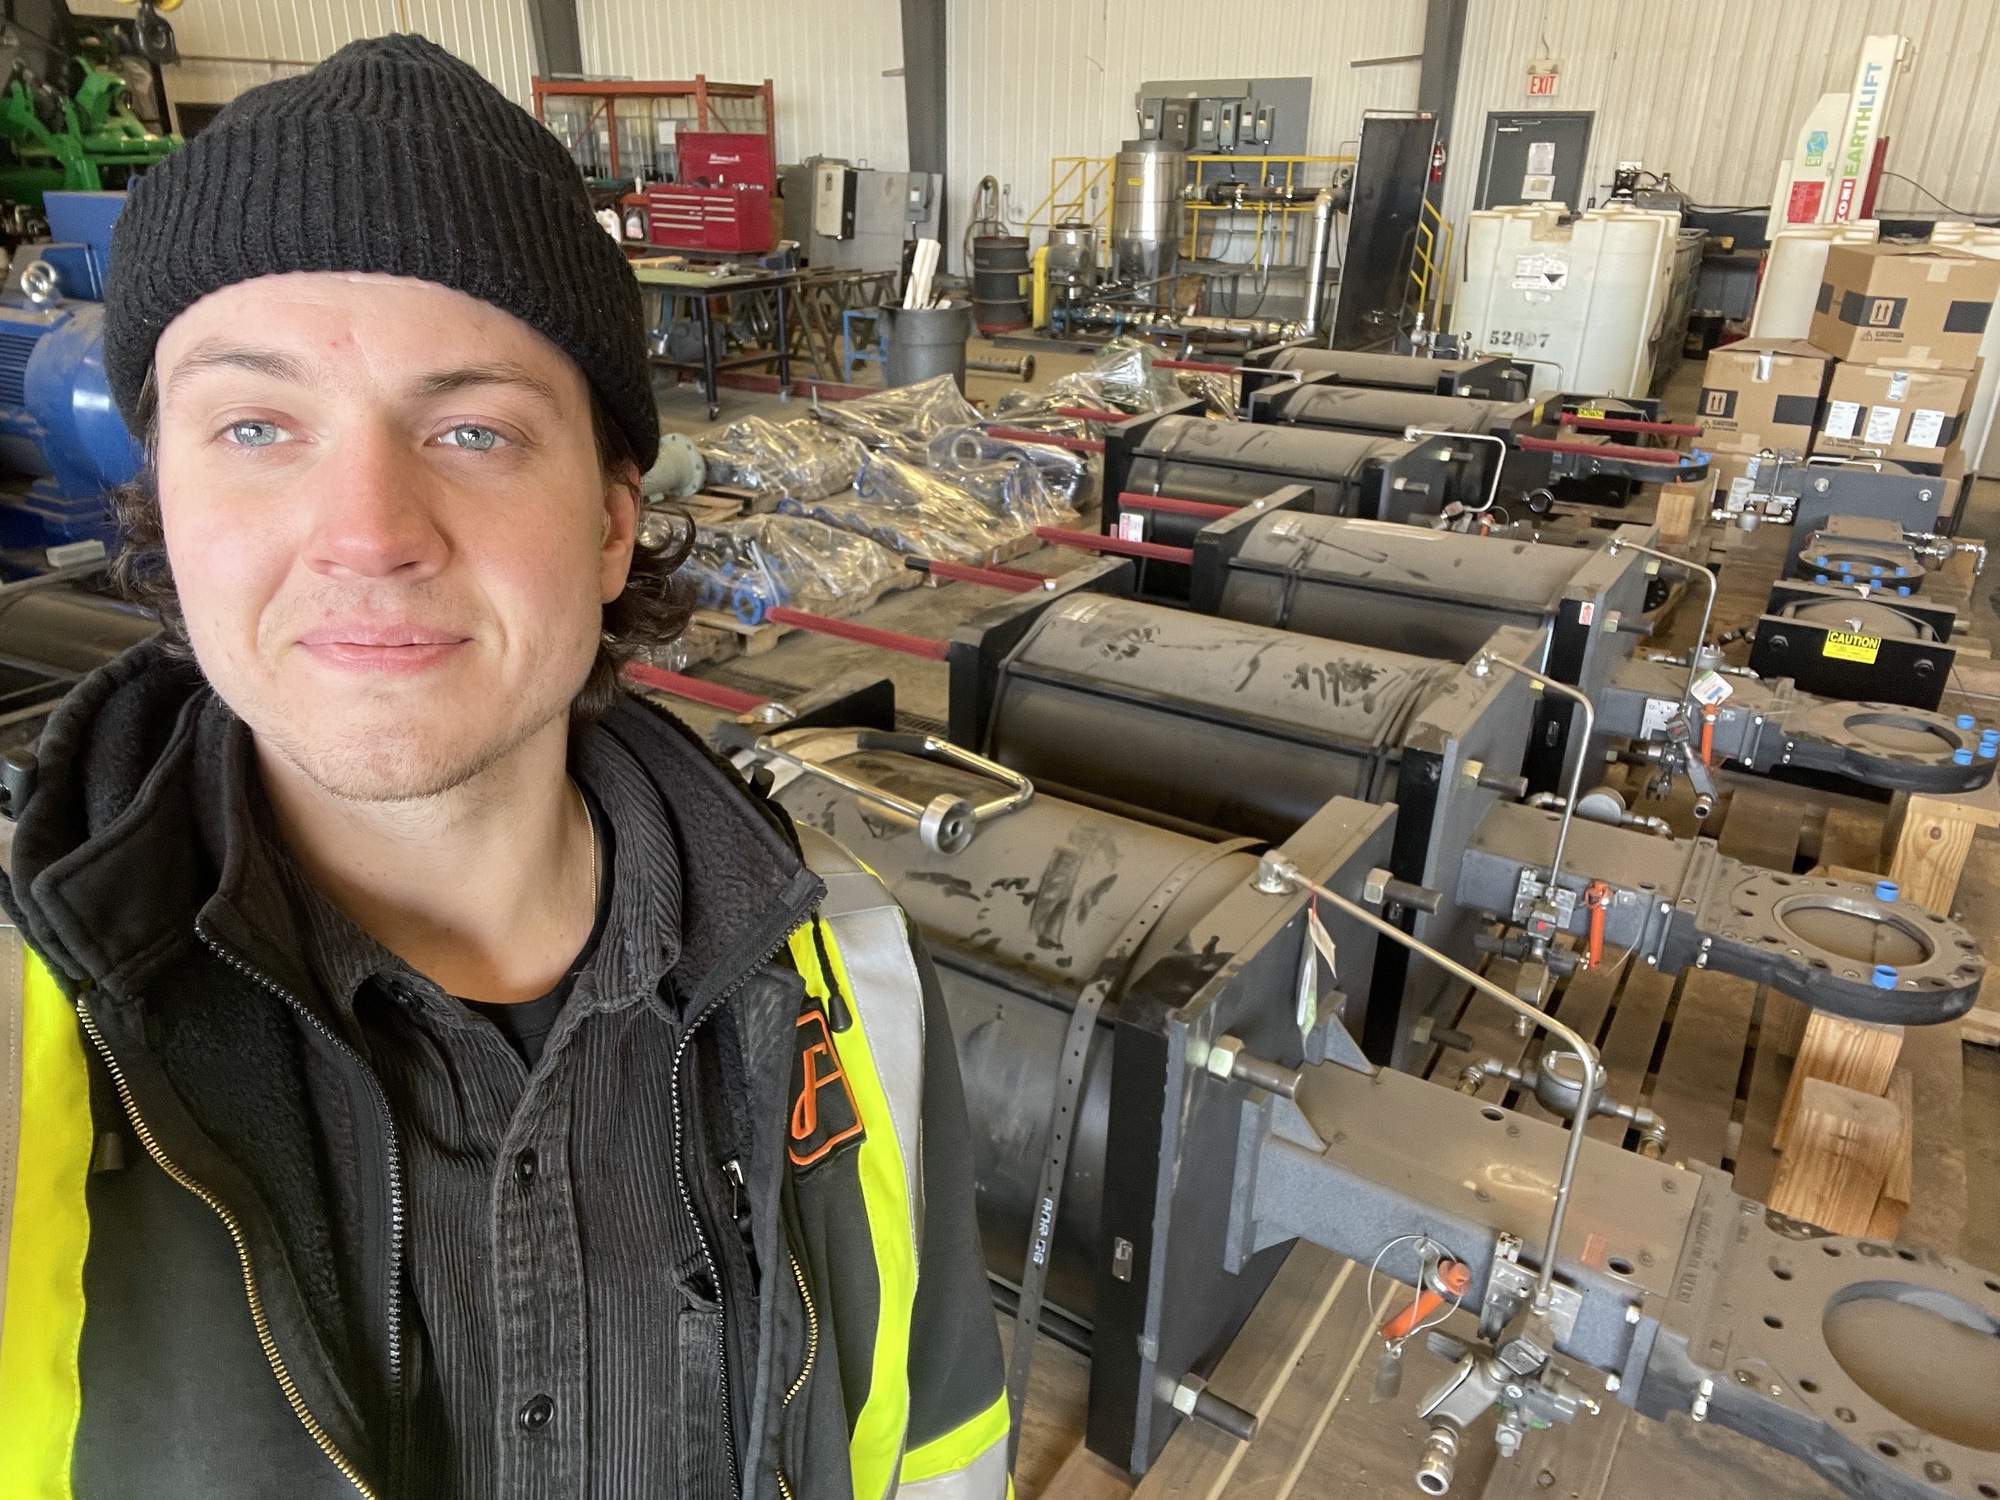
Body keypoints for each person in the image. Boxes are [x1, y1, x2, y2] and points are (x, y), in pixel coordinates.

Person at [0, 34, 1006, 1500]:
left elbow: (940, 1455)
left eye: (472, 429)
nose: (368, 533)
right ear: (164, 501)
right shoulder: (25, 1045)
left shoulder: (846, 982)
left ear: (609, 525)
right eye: (257, 426)